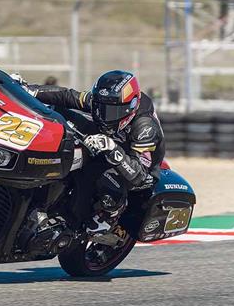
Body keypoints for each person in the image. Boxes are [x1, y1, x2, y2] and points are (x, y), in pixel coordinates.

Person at [28, 70, 165, 243]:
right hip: (110, 140)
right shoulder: (105, 101)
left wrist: (112, 149)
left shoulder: (145, 128)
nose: (104, 115)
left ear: (131, 107)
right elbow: (68, 96)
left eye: (112, 112)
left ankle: (108, 217)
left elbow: (139, 175)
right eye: (101, 108)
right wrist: (29, 89)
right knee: (62, 122)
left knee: (104, 178)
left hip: (140, 167)